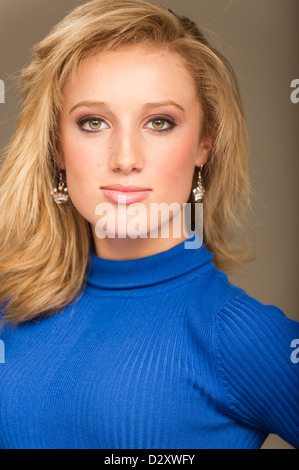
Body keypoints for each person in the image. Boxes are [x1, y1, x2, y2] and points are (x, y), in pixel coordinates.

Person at [0, 0, 298, 450]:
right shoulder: (10, 315)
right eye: (92, 122)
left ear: (203, 144)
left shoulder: (238, 335)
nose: (124, 159)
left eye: (159, 122)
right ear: (56, 148)